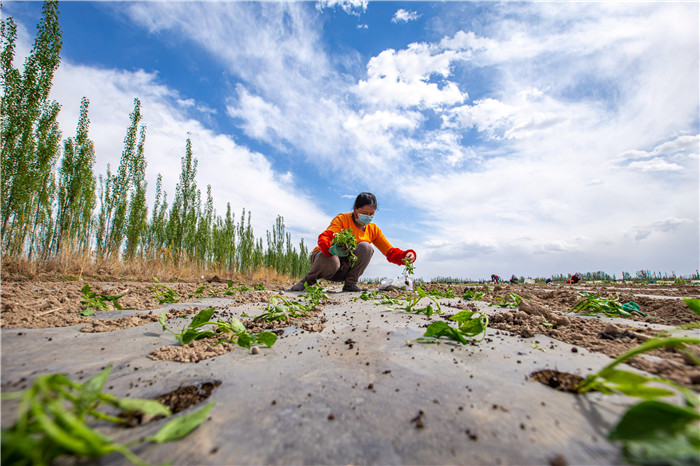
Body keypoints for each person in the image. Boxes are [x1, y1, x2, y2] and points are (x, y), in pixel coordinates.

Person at [290, 192, 417, 292]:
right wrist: (330, 249)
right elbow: (325, 237)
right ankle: (307, 281)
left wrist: (405, 256)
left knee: (366, 247)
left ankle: (350, 284)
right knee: (332, 259)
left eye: (371, 214)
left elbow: (390, 252)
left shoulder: (373, 230)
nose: (367, 216)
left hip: (343, 269)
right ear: (355, 209)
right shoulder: (342, 219)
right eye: (364, 213)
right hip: (325, 262)